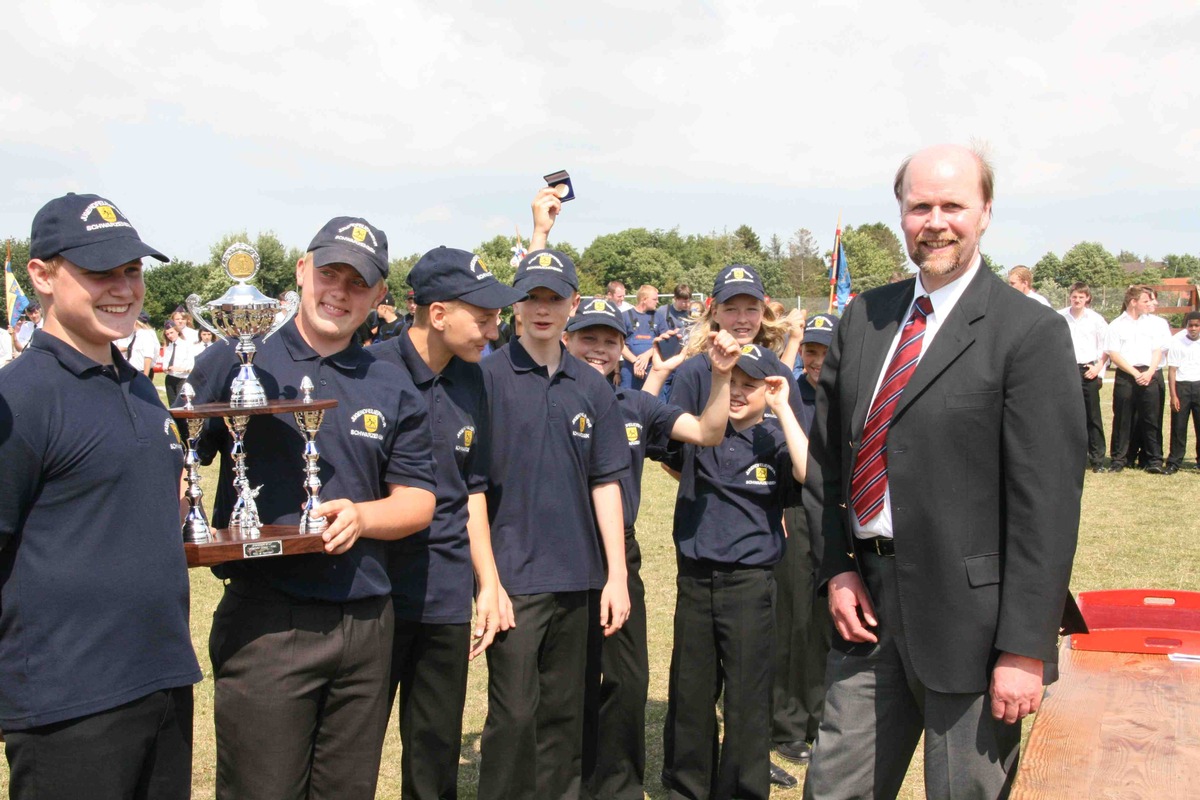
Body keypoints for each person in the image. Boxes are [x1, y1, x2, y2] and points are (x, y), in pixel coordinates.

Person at [803, 144, 1086, 799]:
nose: (936, 221)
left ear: (984, 212)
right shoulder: (863, 320)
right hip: (867, 610)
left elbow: (1046, 504)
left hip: (975, 627)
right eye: (919, 205)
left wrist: (1024, 647)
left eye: (953, 205)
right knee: (832, 789)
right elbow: (826, 465)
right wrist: (837, 568)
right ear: (901, 215)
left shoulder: (1028, 333)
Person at [186, 216, 437, 800]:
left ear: (378, 297)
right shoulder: (237, 359)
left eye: (358, 283)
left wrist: (363, 517)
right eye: (330, 274)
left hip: (367, 621)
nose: (339, 293)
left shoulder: (392, 381)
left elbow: (419, 498)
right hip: (268, 620)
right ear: (302, 271)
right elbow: (182, 466)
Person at [0, 192, 200, 799]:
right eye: (99, 271)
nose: (123, 287)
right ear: (42, 275)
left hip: (163, 681)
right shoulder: (21, 398)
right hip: (69, 705)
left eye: (132, 270)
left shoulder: (140, 389)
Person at [565, 302, 739, 799]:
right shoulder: (549, 398)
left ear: (624, 347)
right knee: (567, 680)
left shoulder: (635, 406)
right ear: (567, 341)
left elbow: (707, 432)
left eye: (608, 340)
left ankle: (617, 786)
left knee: (627, 679)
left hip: (621, 554)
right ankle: (567, 780)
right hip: (563, 555)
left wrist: (723, 379)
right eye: (587, 339)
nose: (598, 350)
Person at [367, 246, 524, 799]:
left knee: (435, 750)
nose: (493, 329)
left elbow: (472, 488)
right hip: (375, 594)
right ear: (438, 314)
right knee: (355, 748)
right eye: (483, 318)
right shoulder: (372, 372)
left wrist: (488, 583)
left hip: (445, 591)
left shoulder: (473, 380)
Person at [477, 247, 631, 800]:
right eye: (532, 297)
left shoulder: (591, 386)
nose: (543, 309)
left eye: (554, 298)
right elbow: (471, 489)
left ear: (572, 304)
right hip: (514, 577)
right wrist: (488, 580)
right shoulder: (486, 378)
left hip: (578, 576)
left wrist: (615, 575)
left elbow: (606, 481)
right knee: (515, 716)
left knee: (566, 718)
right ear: (515, 304)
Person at [660, 343, 810, 800]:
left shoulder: (776, 440)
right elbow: (663, 452)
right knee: (690, 690)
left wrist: (784, 407)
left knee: (747, 695)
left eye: (752, 386)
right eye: (733, 383)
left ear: (768, 390)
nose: (741, 393)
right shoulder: (701, 432)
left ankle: (743, 788)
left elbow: (809, 475)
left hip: (749, 584)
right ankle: (688, 786)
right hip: (697, 577)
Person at [772, 312, 837, 768]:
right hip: (795, 511)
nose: (815, 360)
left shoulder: (853, 397)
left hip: (838, 517)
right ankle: (787, 724)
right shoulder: (791, 394)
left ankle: (821, 717)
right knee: (793, 620)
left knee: (826, 620)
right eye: (809, 350)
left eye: (824, 351)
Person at [1104, 284, 1172, 473]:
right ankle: (1119, 460)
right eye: (1146, 301)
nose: (1150, 304)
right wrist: (1134, 373)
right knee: (1123, 419)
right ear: (1133, 302)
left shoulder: (1156, 323)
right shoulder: (1116, 325)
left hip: (1150, 373)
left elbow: (1159, 349)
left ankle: (1154, 460)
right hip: (1127, 375)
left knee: (1152, 419)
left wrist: (1150, 371)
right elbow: (1114, 354)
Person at [1059, 282, 1109, 472]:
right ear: (1070, 296)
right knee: (1067, 415)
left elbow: (1106, 347)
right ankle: (1070, 457)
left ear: (1087, 298)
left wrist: (1098, 370)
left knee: (1092, 416)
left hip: (1088, 370)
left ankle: (1097, 460)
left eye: (1081, 296)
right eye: (1074, 296)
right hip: (1066, 370)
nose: (1077, 299)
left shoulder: (1096, 320)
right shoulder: (1060, 316)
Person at [1165, 311, 1200, 474]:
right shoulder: (1177, 341)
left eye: (1196, 325)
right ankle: (1174, 462)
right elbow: (1172, 370)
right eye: (1190, 325)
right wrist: (1173, 395)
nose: (1193, 328)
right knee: (1178, 426)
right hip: (1182, 386)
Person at [620, 284, 659, 390]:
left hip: (652, 371)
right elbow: (619, 344)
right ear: (644, 299)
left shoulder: (658, 316)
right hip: (629, 370)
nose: (657, 302)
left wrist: (647, 355)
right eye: (655, 299)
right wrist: (636, 362)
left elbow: (663, 342)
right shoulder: (624, 316)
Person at [159, 323, 195, 406]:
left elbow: (192, 365)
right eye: (167, 334)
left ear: (177, 332)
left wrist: (181, 369)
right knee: (172, 405)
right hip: (170, 378)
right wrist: (165, 368)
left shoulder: (186, 345)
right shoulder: (169, 347)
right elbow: (165, 362)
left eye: (172, 332)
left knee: (182, 404)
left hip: (182, 378)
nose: (170, 336)